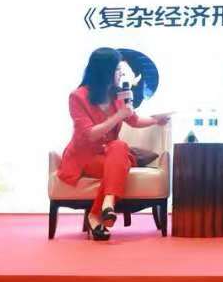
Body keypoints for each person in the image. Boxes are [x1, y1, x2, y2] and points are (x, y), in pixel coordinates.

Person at [57, 47, 171, 241]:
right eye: (117, 70)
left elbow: (134, 120)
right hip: (85, 158)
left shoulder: (117, 95)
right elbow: (90, 134)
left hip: (110, 155)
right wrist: (118, 115)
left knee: (119, 147)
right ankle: (99, 212)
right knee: (120, 161)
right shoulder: (77, 97)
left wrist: (155, 120)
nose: (120, 74)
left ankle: (104, 207)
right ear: (104, 71)